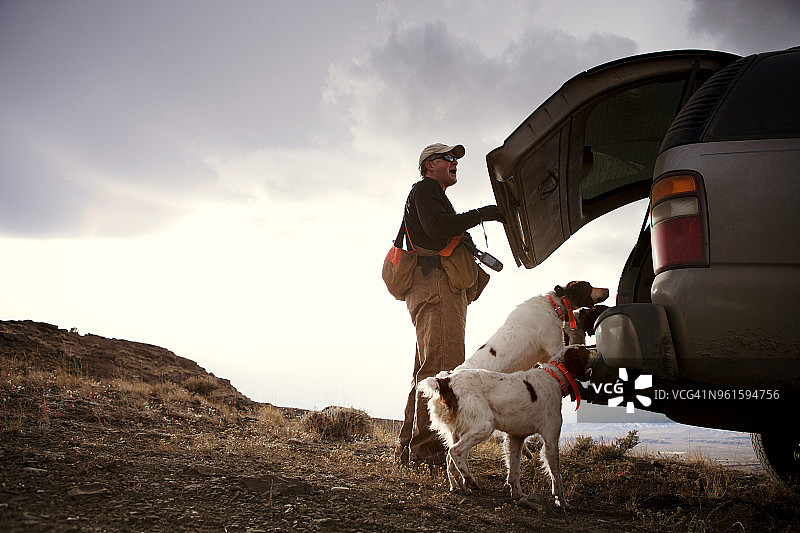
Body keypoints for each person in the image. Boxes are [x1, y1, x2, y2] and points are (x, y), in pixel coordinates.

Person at [394, 143, 505, 467]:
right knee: (442, 372)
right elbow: (438, 228)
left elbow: (438, 229)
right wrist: (484, 214)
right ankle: (429, 452)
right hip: (437, 288)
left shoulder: (429, 194)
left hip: (431, 289)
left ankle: (410, 450)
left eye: (456, 159)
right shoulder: (426, 190)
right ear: (429, 165)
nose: (455, 163)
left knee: (426, 372)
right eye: (449, 158)